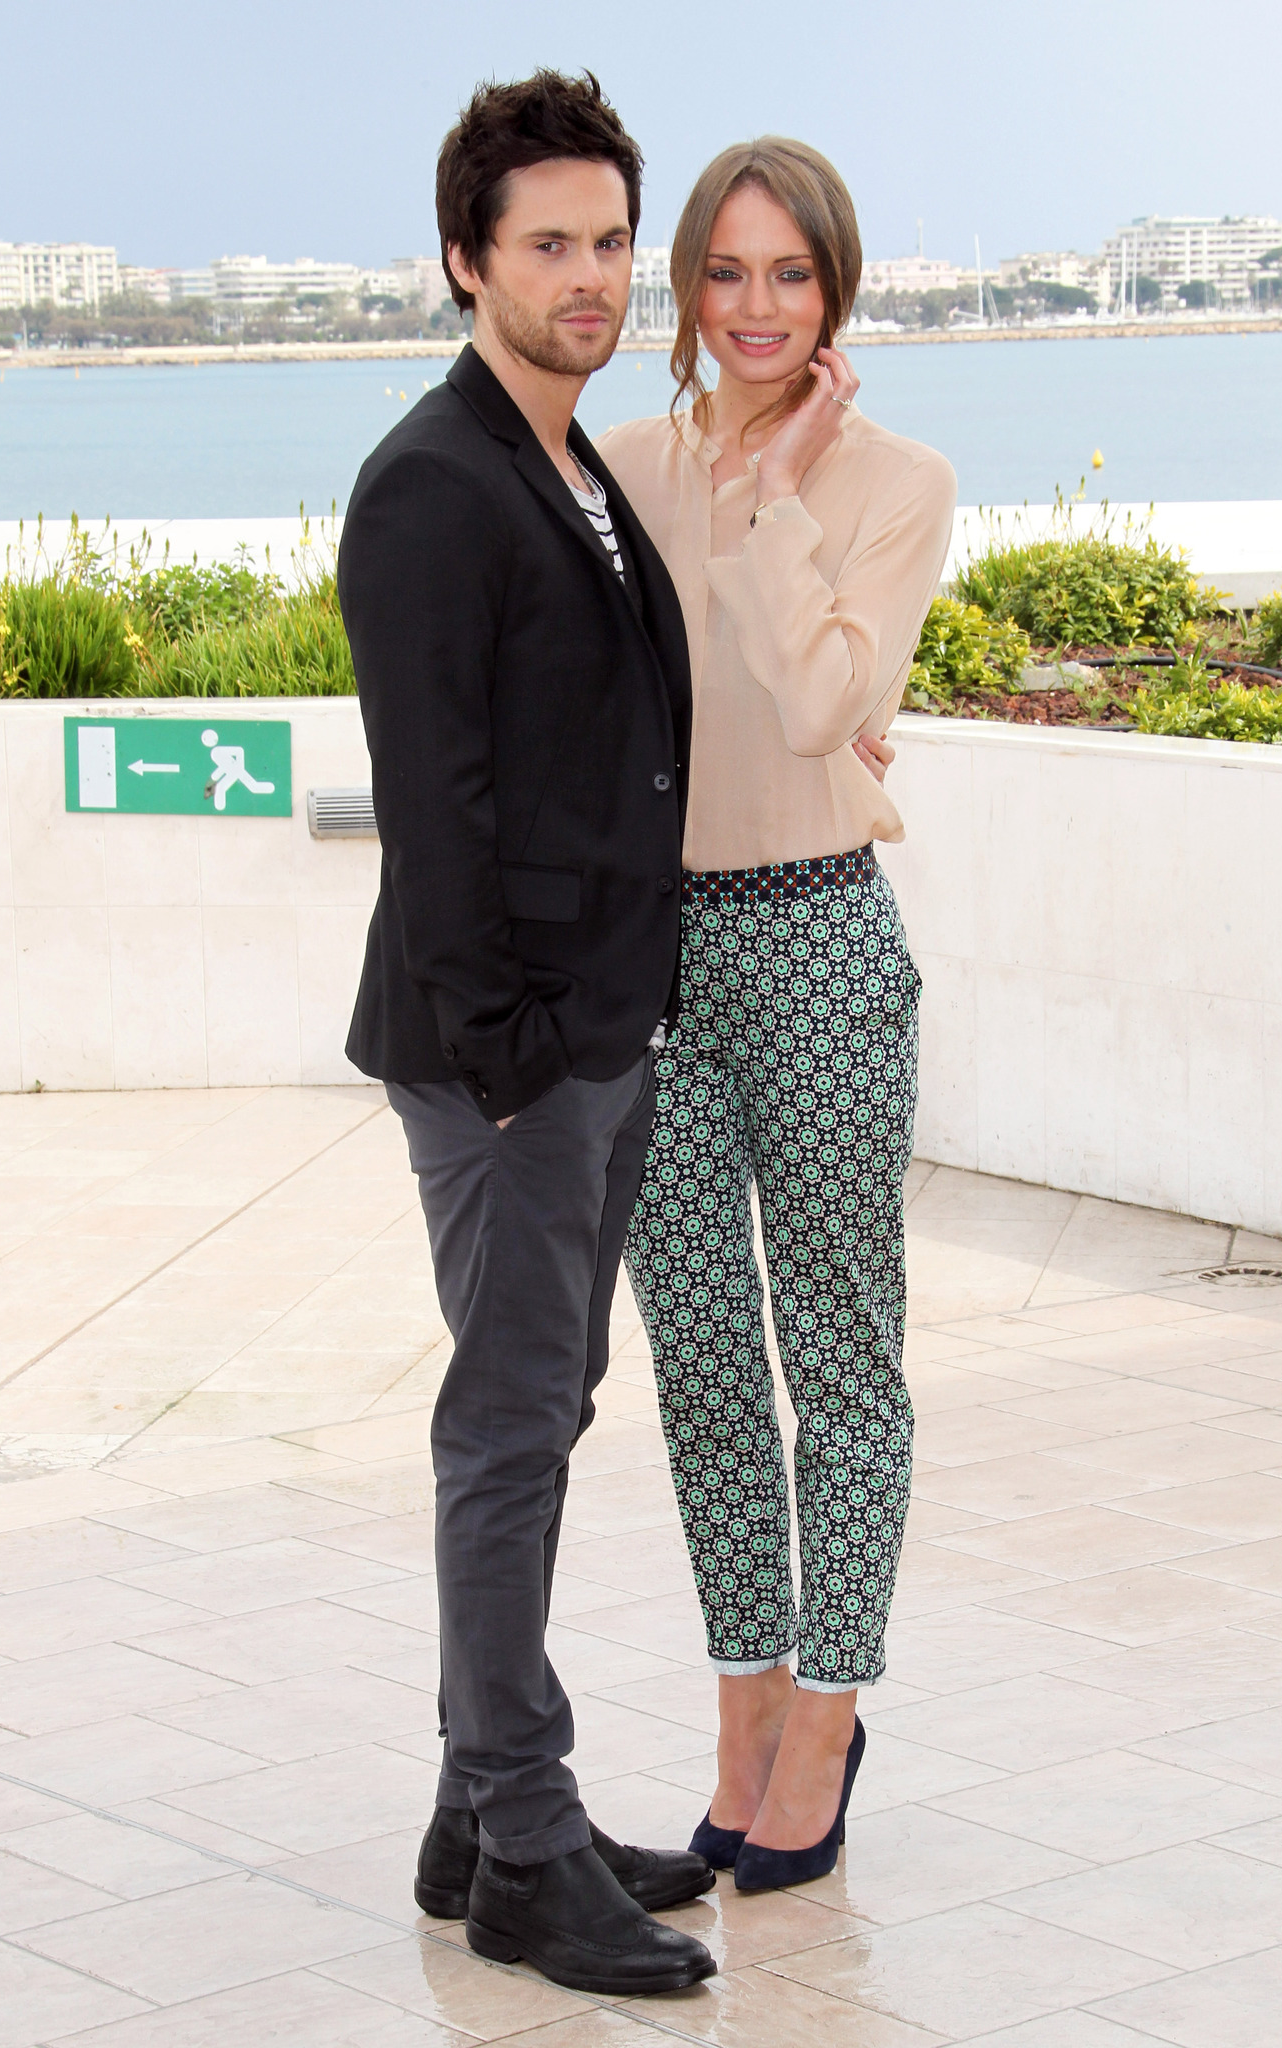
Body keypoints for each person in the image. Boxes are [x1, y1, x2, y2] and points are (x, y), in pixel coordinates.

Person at [337, 71, 717, 1994]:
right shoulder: (432, 482)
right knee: (509, 1426)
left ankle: (475, 1809)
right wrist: (517, 1058)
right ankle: (525, 1838)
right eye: (548, 244)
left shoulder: (570, 464)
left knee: (539, 1409)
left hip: (588, 1028)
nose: (590, 276)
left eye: (606, 241)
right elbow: (439, 806)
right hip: (511, 1052)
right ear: (465, 263)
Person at [599, 137, 956, 1892]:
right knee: (702, 1360)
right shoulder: (618, 463)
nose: (754, 310)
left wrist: (774, 493)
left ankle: (828, 1708)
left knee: (839, 1351)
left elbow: (821, 705)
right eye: (724, 275)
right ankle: (741, 1699)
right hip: (651, 954)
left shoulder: (895, 480)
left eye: (788, 277)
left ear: (836, 291)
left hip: (815, 938)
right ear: (684, 288)